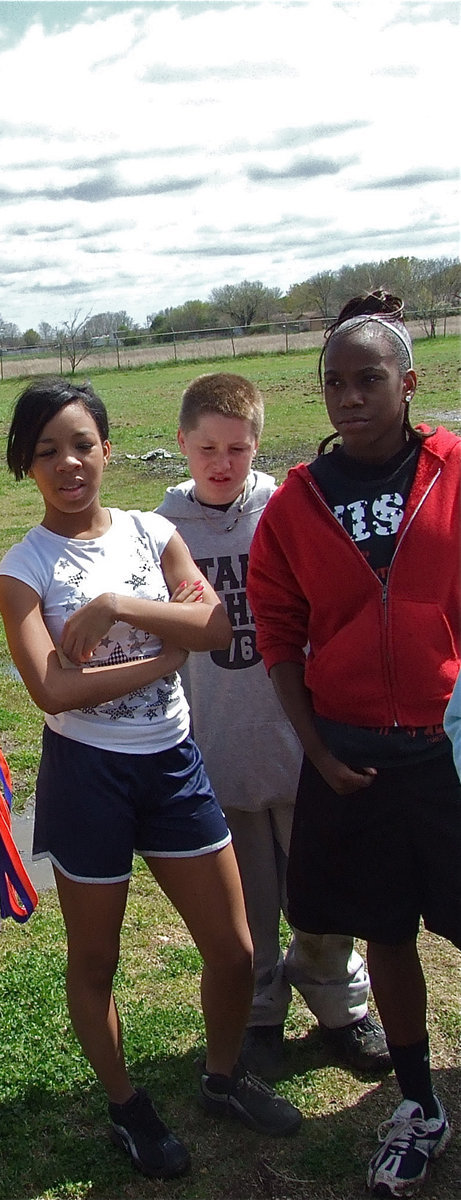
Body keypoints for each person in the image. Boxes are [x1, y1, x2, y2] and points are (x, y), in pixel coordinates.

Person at [0, 377, 302, 1181]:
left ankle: (223, 1076)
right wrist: (162, 658)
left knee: (232, 950)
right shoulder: (19, 570)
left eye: (81, 444)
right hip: (86, 774)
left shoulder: (151, 530)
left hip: (172, 763)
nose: (68, 463)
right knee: (94, 961)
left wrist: (117, 606)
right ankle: (127, 1106)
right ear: (27, 463)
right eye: (47, 450)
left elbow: (215, 624)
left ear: (106, 445)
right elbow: (52, 690)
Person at [248, 290, 460, 1197]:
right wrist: (317, 753)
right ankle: (416, 1103)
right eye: (333, 383)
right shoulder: (296, 505)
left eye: (368, 379)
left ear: (408, 383)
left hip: (448, 752)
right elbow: (279, 637)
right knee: (386, 933)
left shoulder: (453, 472)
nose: (350, 397)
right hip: (353, 757)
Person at [156, 372, 388, 1081]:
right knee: (247, 900)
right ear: (181, 446)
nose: (220, 463)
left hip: (299, 743)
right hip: (216, 745)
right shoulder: (162, 529)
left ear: (256, 443)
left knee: (322, 891)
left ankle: (339, 1002)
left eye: (235, 447)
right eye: (205, 450)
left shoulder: (290, 510)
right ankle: (258, 1010)